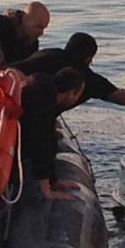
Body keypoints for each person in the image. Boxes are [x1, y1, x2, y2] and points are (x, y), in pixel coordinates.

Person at [11, 32, 125, 108]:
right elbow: (122, 97)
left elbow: (13, 70)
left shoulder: (47, 54)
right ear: (89, 59)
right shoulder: (87, 78)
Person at [20, 67, 85, 201]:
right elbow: (40, 145)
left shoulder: (43, 83)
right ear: (71, 93)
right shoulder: (42, 105)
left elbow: (49, 138)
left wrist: (53, 181)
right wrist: (46, 191)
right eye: (78, 95)